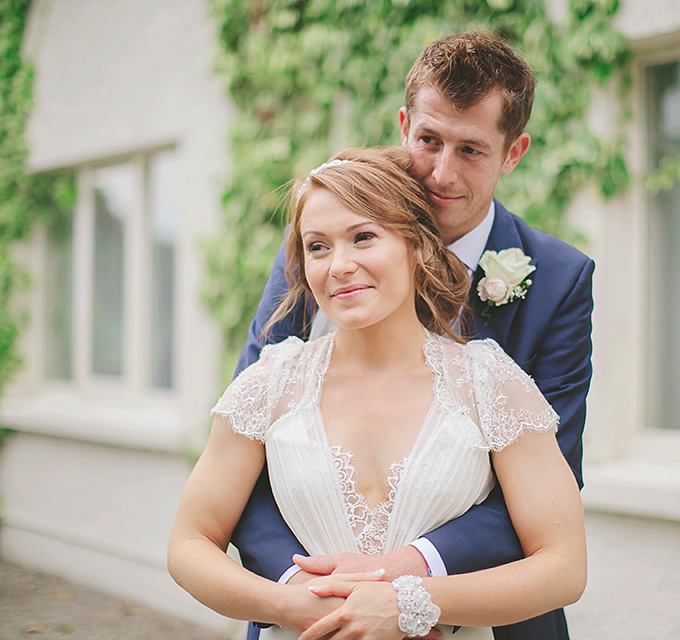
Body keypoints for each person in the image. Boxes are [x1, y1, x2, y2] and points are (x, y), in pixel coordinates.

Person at [232, 31, 594, 640]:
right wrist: (308, 589)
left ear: (514, 152)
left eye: (472, 150)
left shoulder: (558, 280)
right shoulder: (324, 244)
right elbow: (247, 437)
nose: (441, 172)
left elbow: (554, 475)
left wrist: (406, 583)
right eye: (429, 140)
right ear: (404, 125)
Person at [168, 147, 586, 640]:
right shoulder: (269, 383)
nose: (340, 265)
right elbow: (188, 543)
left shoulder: (491, 384)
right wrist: (287, 604)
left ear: (419, 247)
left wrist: (409, 603)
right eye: (317, 247)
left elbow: (563, 567)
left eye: (363, 238)